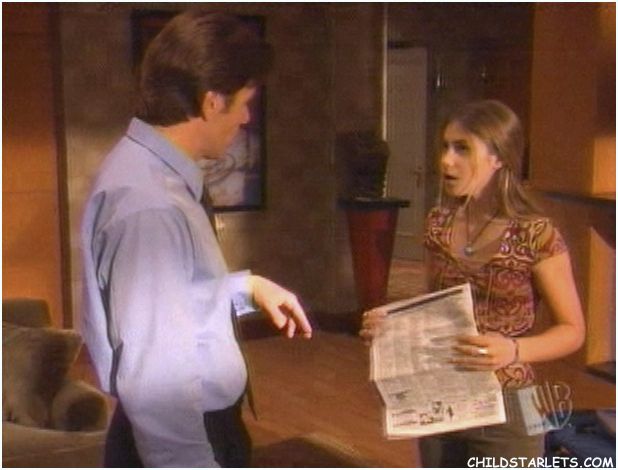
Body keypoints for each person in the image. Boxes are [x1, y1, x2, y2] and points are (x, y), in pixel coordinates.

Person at [80, 9, 312, 468]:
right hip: (185, 438)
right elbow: (157, 382)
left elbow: (174, 300)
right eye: (244, 102)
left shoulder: (148, 174)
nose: (246, 117)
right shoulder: (150, 205)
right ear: (211, 102)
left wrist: (246, 288)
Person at [359, 100, 585, 467]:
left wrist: (513, 350)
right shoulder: (438, 223)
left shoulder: (536, 233)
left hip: (512, 403)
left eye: (462, 149)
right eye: (445, 147)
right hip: (441, 393)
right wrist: (393, 323)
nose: (446, 160)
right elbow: (435, 308)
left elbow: (573, 331)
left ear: (499, 157)